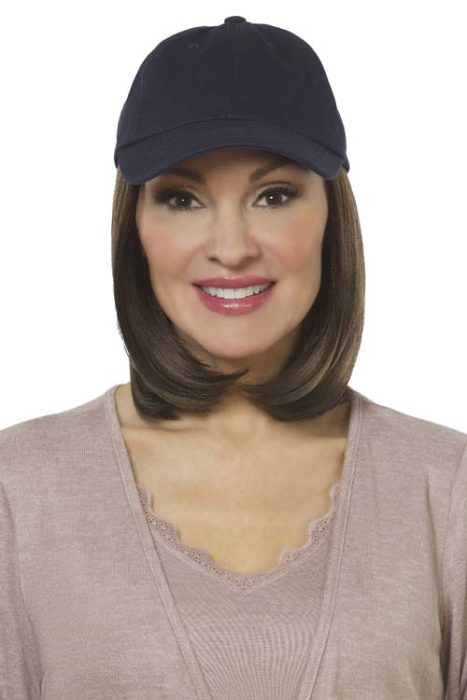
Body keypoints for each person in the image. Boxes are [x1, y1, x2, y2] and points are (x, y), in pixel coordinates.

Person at [0, 16, 465, 700]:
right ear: (136, 227)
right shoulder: (19, 490)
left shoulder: (446, 489)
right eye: (181, 198)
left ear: (330, 215)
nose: (231, 247)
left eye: (273, 195)